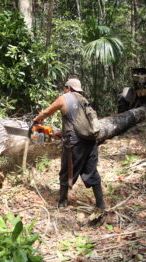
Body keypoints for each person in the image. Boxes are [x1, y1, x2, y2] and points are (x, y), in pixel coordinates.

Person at [33, 78, 106, 209]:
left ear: (68, 88)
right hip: (90, 143)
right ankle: (100, 204)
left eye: (65, 88)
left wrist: (35, 121)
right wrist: (61, 133)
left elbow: (46, 112)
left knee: (67, 171)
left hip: (74, 144)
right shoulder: (83, 100)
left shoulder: (64, 98)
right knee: (91, 172)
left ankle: (62, 203)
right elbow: (77, 125)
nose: (64, 90)